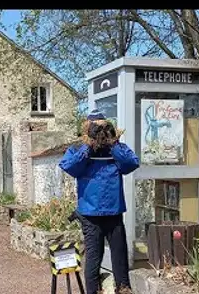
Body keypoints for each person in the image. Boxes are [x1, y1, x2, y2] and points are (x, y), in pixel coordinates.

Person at [59, 109, 140, 294]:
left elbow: (131, 163)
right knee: (94, 260)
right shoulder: (78, 148)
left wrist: (112, 143)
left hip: (114, 212)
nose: (100, 132)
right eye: (96, 128)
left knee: (120, 258)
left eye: (103, 128)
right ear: (87, 129)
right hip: (90, 215)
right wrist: (89, 145)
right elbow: (71, 168)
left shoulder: (116, 148)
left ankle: (124, 290)